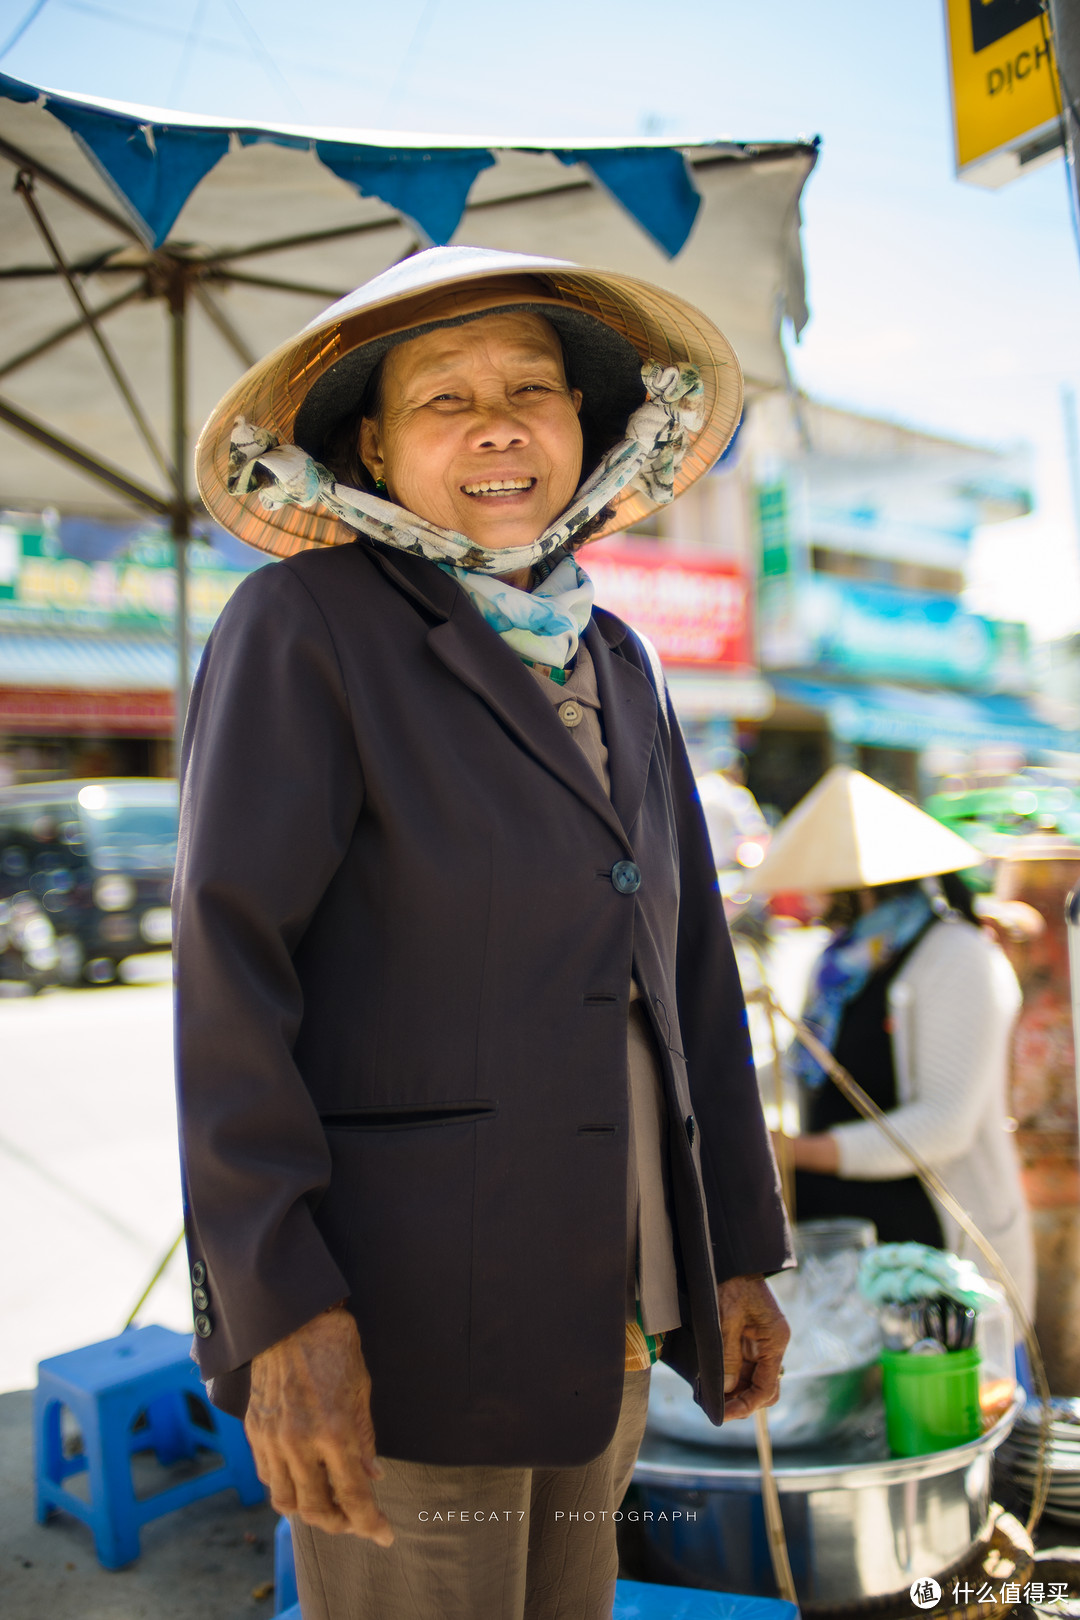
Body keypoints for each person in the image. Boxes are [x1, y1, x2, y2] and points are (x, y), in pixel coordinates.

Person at [174, 245, 792, 1620]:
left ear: (585, 427)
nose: (500, 424)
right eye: (444, 401)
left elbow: (688, 975)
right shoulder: (306, 628)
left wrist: (733, 1246)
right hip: (396, 1316)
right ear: (377, 451)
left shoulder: (615, 656)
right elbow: (231, 979)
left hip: (609, 1309)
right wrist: (283, 1312)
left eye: (532, 389)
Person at [749, 765, 1034, 1314]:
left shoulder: (959, 957)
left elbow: (944, 1124)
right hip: (850, 1238)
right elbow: (799, 1066)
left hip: (932, 1240)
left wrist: (796, 1151)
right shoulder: (841, 964)